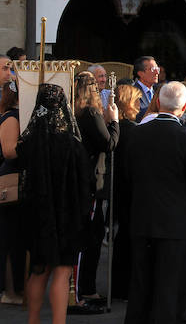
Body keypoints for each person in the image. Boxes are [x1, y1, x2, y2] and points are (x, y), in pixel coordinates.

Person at [125, 82, 186, 324]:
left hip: (143, 214)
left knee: (142, 275)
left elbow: (127, 173)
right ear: (184, 107)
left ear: (159, 103)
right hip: (177, 218)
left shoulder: (136, 133)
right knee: (171, 277)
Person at [18, 84, 93, 324]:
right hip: (68, 215)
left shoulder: (28, 142)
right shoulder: (72, 144)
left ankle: (33, 320)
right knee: (62, 273)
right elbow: (86, 182)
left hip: (38, 214)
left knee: (38, 270)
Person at [73, 70, 120, 305]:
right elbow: (108, 143)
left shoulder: (75, 111)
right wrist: (114, 121)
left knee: (92, 233)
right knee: (91, 235)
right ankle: (85, 288)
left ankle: (85, 287)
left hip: (84, 177)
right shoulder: (90, 112)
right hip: (92, 179)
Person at [110, 84, 141, 301]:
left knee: (124, 235)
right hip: (129, 188)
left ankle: (122, 285)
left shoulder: (120, 126)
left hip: (121, 186)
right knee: (129, 237)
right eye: (136, 101)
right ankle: (125, 285)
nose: (139, 105)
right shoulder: (130, 129)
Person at [0, 82, 24, 306]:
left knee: (15, 240)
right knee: (10, 241)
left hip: (17, 181)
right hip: (11, 183)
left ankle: (15, 289)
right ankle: (10, 291)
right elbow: (9, 151)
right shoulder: (11, 117)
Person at [133, 55, 160, 120]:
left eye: (157, 69)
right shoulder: (132, 92)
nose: (157, 72)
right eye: (153, 69)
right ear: (141, 73)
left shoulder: (159, 91)